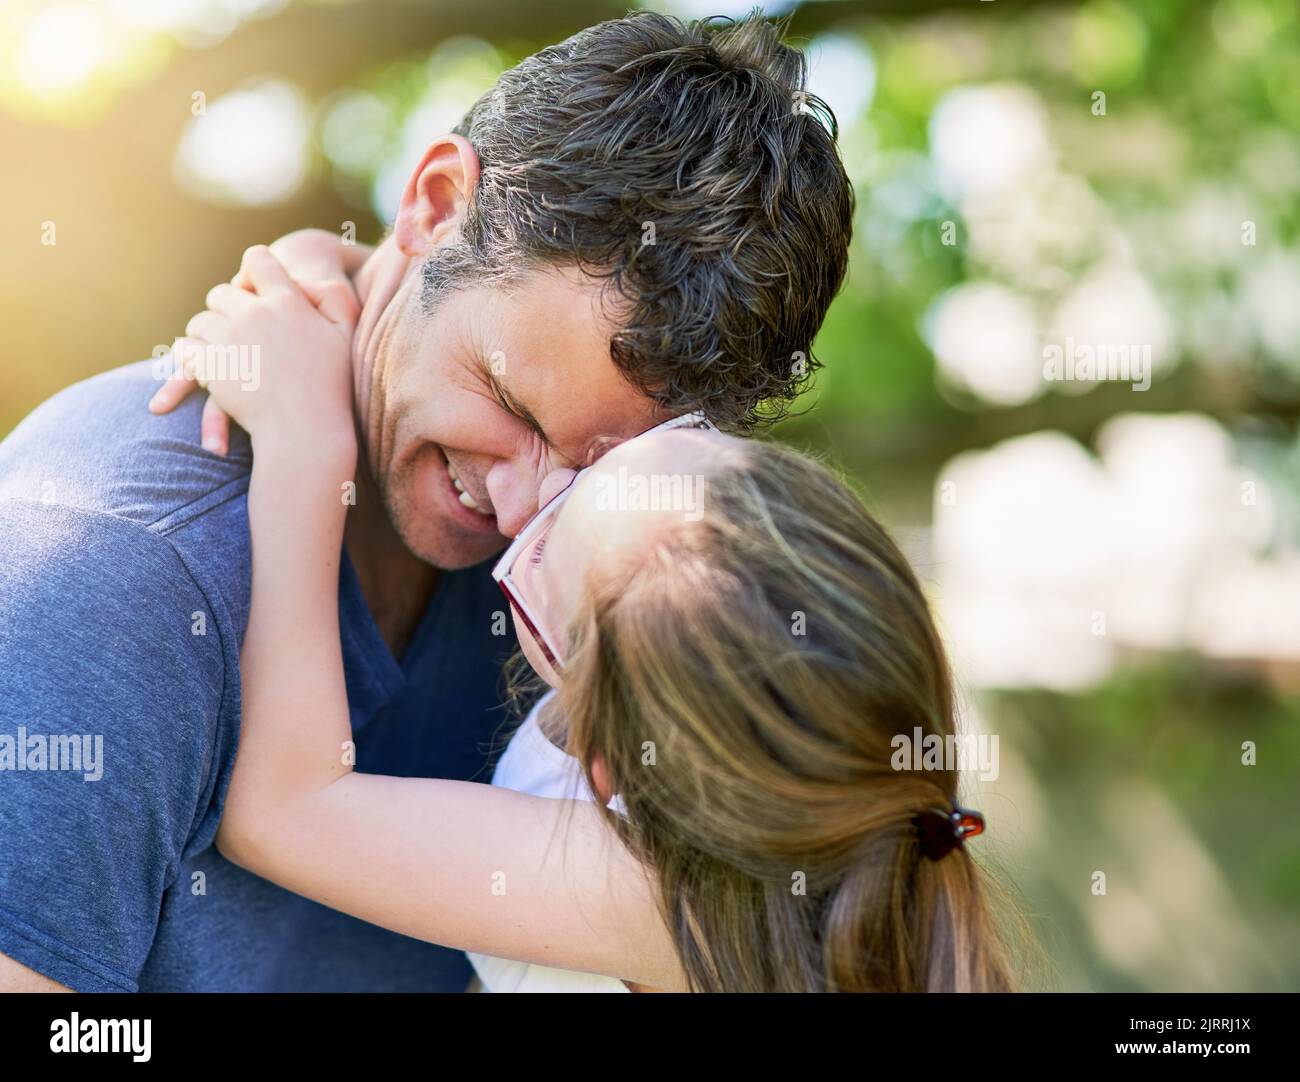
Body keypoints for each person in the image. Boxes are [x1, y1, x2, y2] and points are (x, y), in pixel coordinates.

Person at [0, 11, 852, 991]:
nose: (518, 503)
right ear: (436, 203)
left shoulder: (621, 589)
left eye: (594, 472)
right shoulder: (113, 570)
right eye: (509, 399)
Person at [148, 246, 1018, 993]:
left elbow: (284, 812)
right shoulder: (812, 762)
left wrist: (308, 446)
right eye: (628, 453)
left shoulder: (655, 900)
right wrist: (319, 275)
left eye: (547, 539)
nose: (531, 491)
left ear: (605, 768)